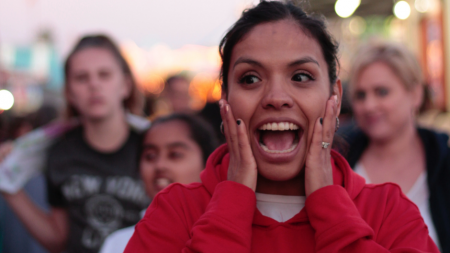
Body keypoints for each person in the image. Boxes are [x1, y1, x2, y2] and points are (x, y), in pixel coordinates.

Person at [124, 2, 438, 252]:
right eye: (250, 78)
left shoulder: (388, 212)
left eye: (301, 77)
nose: (276, 98)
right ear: (226, 99)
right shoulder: (175, 211)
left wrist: (330, 207)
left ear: (335, 96)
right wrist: (230, 205)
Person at [1, 35, 149, 253]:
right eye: (81, 77)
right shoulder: (58, 151)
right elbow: (58, 240)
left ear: (125, 85)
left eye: (104, 75)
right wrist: (7, 182)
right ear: (69, 92)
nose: (94, 84)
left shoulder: (153, 145)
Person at [343, 41, 450, 252]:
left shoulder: (444, 161)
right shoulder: (340, 162)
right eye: (360, 95)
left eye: (382, 92)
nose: (369, 105)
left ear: (415, 94)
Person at [99, 113, 219, 253]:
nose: (160, 165)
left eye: (175, 154)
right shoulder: (118, 244)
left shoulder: (224, 234)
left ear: (208, 163)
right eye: (150, 156)